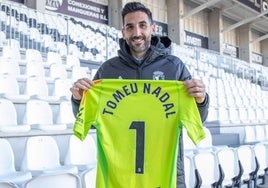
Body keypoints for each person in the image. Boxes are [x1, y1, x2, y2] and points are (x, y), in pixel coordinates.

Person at [70, 2, 209, 187]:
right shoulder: (108, 70)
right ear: (123, 32)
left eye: (142, 25)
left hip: (167, 175)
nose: (137, 33)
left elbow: (198, 118)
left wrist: (201, 100)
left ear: (152, 28)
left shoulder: (174, 67)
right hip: (119, 178)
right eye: (130, 27)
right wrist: (78, 99)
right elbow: (90, 121)